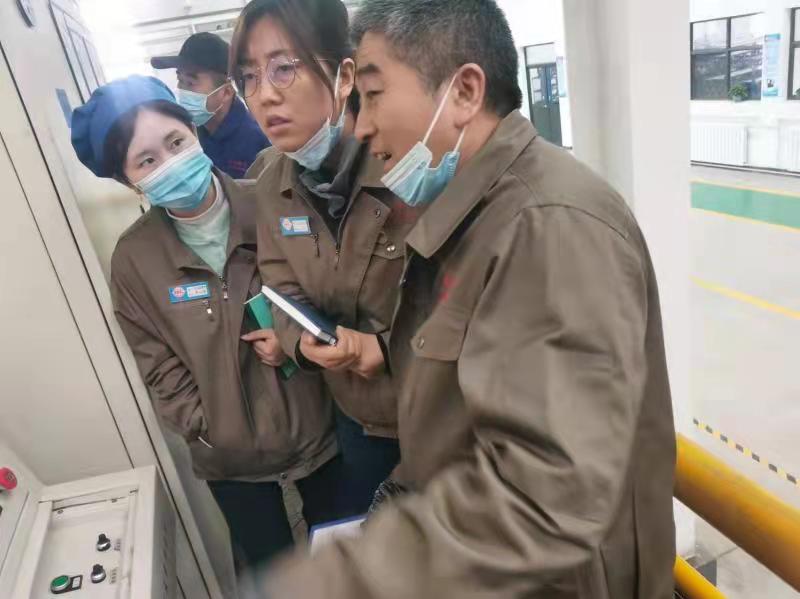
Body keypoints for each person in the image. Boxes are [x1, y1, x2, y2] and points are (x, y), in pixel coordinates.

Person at [251, 0, 677, 598]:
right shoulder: (469, 220)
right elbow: (455, 416)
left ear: (465, 92)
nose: (361, 127)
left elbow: (543, 496)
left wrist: (340, 581)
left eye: (373, 96)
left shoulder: (547, 226)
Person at [70, 75, 346, 570]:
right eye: (147, 160)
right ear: (130, 181)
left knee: (341, 564)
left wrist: (293, 341)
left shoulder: (274, 204)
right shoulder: (135, 260)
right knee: (274, 576)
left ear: (194, 133)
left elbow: (333, 294)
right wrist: (209, 428)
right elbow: (157, 365)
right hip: (231, 463)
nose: (170, 163)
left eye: (176, 142)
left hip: (320, 433)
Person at [229, 0, 411, 516]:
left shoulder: (407, 163)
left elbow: (466, 294)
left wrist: (388, 349)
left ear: (344, 75)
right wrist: (304, 344)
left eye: (284, 68)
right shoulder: (271, 182)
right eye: (249, 77)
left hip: (439, 410)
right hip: (357, 418)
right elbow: (280, 286)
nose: (264, 95)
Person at [152, 32, 270, 178]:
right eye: (180, 80)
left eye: (190, 83)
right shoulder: (190, 133)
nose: (182, 91)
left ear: (226, 92)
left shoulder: (259, 141)